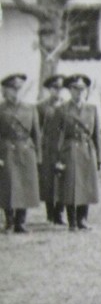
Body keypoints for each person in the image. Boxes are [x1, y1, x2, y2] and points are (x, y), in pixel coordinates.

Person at [52, 74, 101, 230]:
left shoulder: (92, 109)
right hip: (70, 149)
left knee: (86, 185)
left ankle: (83, 220)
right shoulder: (62, 109)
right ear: (69, 90)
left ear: (86, 91)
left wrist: (99, 157)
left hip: (87, 150)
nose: (79, 92)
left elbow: (96, 135)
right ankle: (72, 221)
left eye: (82, 89)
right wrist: (57, 158)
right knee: (71, 186)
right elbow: (55, 135)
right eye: (75, 89)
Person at [0, 73, 41, 233]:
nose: (15, 92)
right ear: (5, 90)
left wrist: (38, 157)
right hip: (7, 151)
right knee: (7, 186)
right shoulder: (1, 109)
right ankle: (9, 221)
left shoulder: (30, 108)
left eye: (18, 89)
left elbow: (37, 135)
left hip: (26, 151)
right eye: (12, 89)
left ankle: (21, 222)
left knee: (25, 187)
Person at [37, 74, 65, 225]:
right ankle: (50, 213)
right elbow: (37, 129)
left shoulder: (66, 106)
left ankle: (59, 214)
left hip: (62, 147)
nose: (58, 91)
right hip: (48, 148)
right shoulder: (41, 107)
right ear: (49, 89)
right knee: (48, 182)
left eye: (60, 88)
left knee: (62, 181)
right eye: (55, 88)